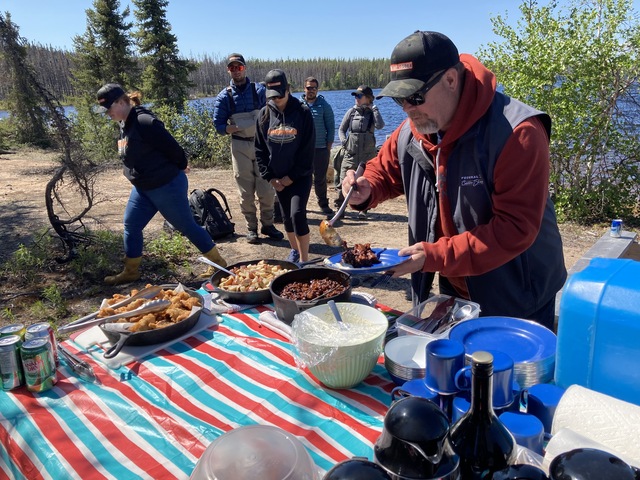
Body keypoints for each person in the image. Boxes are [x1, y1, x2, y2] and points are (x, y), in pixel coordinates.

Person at [341, 31, 566, 329]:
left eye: (415, 96)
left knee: (509, 374)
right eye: (399, 100)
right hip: (453, 278)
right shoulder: (413, 130)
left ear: (450, 79)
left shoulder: (518, 132)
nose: (408, 108)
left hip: (517, 289)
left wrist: (435, 255)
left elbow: (515, 228)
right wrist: (365, 187)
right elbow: (384, 170)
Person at [96, 83, 227, 285]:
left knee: (186, 227)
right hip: (143, 188)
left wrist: (182, 165)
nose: (107, 114)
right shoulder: (124, 122)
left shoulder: (144, 122)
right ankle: (131, 271)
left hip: (166, 186)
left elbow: (173, 148)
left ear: (122, 102)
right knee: (131, 224)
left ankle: (219, 265)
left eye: (108, 109)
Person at [213, 53, 284, 244]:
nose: (236, 70)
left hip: (262, 144)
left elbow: (275, 111)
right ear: (228, 70)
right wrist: (231, 128)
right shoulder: (224, 96)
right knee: (245, 191)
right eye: (232, 67)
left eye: (239, 67)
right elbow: (218, 125)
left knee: (267, 188)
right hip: (239, 145)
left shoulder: (259, 90)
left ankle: (268, 225)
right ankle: (251, 228)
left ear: (245, 68)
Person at [255, 69, 315, 264]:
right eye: (273, 96)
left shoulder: (303, 112)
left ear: (288, 89)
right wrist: (270, 178)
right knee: (286, 219)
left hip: (300, 176)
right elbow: (260, 150)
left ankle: (304, 261)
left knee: (297, 214)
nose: (277, 100)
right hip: (278, 179)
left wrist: (293, 176)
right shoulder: (264, 115)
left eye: (280, 95)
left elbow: (308, 150)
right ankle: (295, 252)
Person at [336, 85, 385, 218]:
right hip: (351, 153)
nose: (356, 98)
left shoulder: (373, 112)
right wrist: (344, 142)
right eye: (355, 96)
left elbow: (380, 126)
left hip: (367, 155)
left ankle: (364, 209)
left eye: (359, 96)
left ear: (368, 98)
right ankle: (340, 208)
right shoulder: (351, 112)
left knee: (365, 182)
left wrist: (374, 109)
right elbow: (341, 130)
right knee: (343, 180)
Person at [300, 76, 335, 218]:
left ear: (317, 89)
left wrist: (328, 146)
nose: (311, 90)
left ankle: (323, 204)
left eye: (314, 88)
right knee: (303, 178)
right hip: (303, 150)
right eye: (309, 88)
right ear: (304, 88)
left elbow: (331, 127)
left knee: (320, 179)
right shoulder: (299, 105)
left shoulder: (324, 105)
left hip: (320, 149)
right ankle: (301, 205)